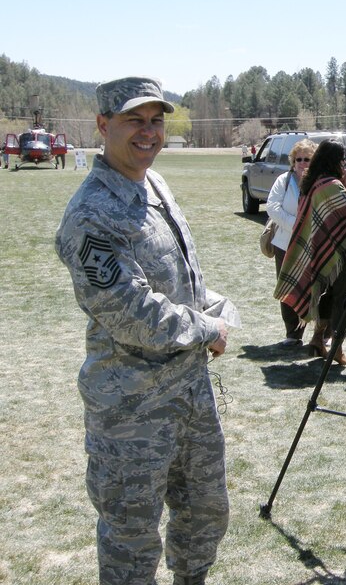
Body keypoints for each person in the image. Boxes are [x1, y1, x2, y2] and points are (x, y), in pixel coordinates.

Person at [54, 76, 232, 585]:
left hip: (190, 395)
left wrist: (208, 302)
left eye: (156, 121)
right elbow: (132, 312)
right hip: (132, 409)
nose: (148, 132)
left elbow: (171, 277)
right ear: (103, 125)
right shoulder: (91, 214)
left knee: (204, 514)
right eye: (135, 120)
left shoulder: (153, 185)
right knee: (131, 538)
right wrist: (208, 327)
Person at [275, 138, 346, 365]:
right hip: (338, 254)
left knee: (326, 294)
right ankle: (337, 348)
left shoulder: (311, 182)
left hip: (320, 251)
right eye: (343, 159)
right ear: (336, 160)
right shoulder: (332, 185)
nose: (345, 164)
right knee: (343, 299)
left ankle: (316, 339)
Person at [266, 139, 317, 347]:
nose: (303, 163)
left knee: (313, 289)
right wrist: (294, 225)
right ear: (293, 161)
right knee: (287, 287)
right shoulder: (283, 180)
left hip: (313, 244)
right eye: (299, 159)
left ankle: (320, 334)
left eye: (307, 159)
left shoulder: (320, 181)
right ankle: (293, 334)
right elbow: (272, 206)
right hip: (285, 243)